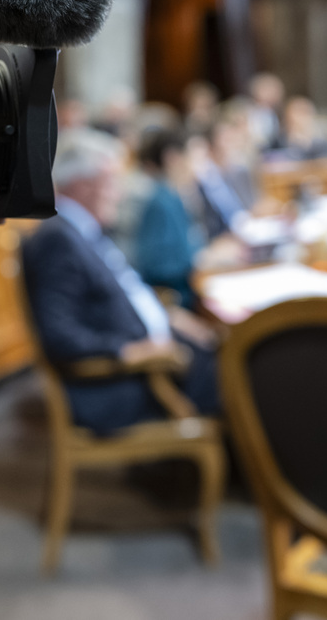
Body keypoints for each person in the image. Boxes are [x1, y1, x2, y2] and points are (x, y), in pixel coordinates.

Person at [21, 129, 221, 436]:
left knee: (230, 351)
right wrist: (130, 350)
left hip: (154, 358)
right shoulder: (57, 238)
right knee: (239, 368)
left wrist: (167, 316)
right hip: (122, 381)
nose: (119, 192)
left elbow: (118, 294)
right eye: (111, 181)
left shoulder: (79, 228)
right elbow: (59, 335)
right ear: (83, 185)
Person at [134, 129, 206, 309]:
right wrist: (202, 256)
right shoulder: (160, 201)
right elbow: (160, 265)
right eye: (193, 156)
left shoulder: (174, 195)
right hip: (175, 299)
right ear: (172, 157)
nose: (198, 165)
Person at [266, 96, 327, 162]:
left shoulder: (320, 142)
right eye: (296, 113)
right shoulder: (279, 140)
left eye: (304, 113)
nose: (299, 118)